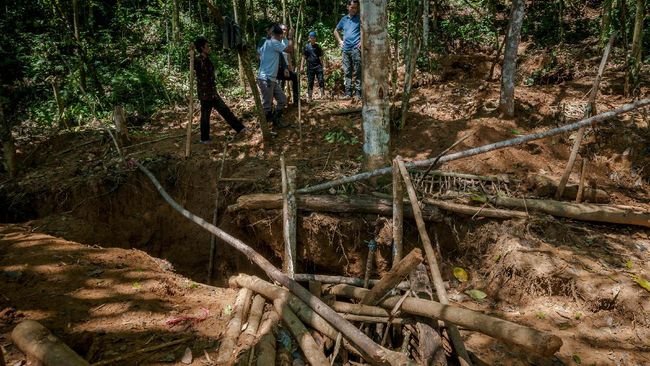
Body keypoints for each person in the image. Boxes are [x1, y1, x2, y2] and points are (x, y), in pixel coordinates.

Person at [194, 37, 245, 143]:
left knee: (225, 111)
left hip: (212, 92)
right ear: (202, 48)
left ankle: (240, 128)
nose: (209, 48)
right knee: (205, 116)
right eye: (207, 46)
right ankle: (204, 138)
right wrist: (191, 54)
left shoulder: (207, 59)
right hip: (205, 94)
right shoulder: (198, 61)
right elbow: (195, 65)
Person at [257, 24, 294, 128]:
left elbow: (260, 54)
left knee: (282, 100)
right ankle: (265, 128)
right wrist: (290, 36)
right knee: (267, 105)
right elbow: (290, 49)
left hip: (270, 78)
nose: (281, 37)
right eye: (281, 35)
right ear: (279, 35)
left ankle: (275, 121)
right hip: (266, 78)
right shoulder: (273, 43)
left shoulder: (267, 43)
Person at [334, 0, 361, 99]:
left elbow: (365, 29)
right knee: (347, 71)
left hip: (356, 49)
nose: (354, 9)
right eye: (352, 7)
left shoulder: (359, 18)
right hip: (346, 49)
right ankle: (348, 93)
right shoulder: (344, 19)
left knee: (358, 71)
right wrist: (340, 41)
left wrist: (361, 41)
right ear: (348, 7)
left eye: (356, 7)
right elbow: (336, 31)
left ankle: (358, 94)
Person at [278, 24, 300, 106]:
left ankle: (296, 101)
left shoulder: (287, 41)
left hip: (286, 66)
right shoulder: (277, 41)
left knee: (294, 77)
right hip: (278, 67)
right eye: (283, 29)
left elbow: (288, 55)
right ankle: (281, 103)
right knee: (281, 84)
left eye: (286, 30)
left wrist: (290, 68)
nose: (285, 31)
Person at [303, 31, 325, 102]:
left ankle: (322, 95)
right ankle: (310, 97)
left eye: (314, 37)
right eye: (311, 37)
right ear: (309, 38)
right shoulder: (306, 47)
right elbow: (303, 57)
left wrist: (323, 66)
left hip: (318, 66)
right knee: (310, 82)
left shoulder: (318, 47)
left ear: (315, 38)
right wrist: (301, 67)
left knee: (321, 80)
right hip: (310, 67)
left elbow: (321, 57)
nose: (313, 39)